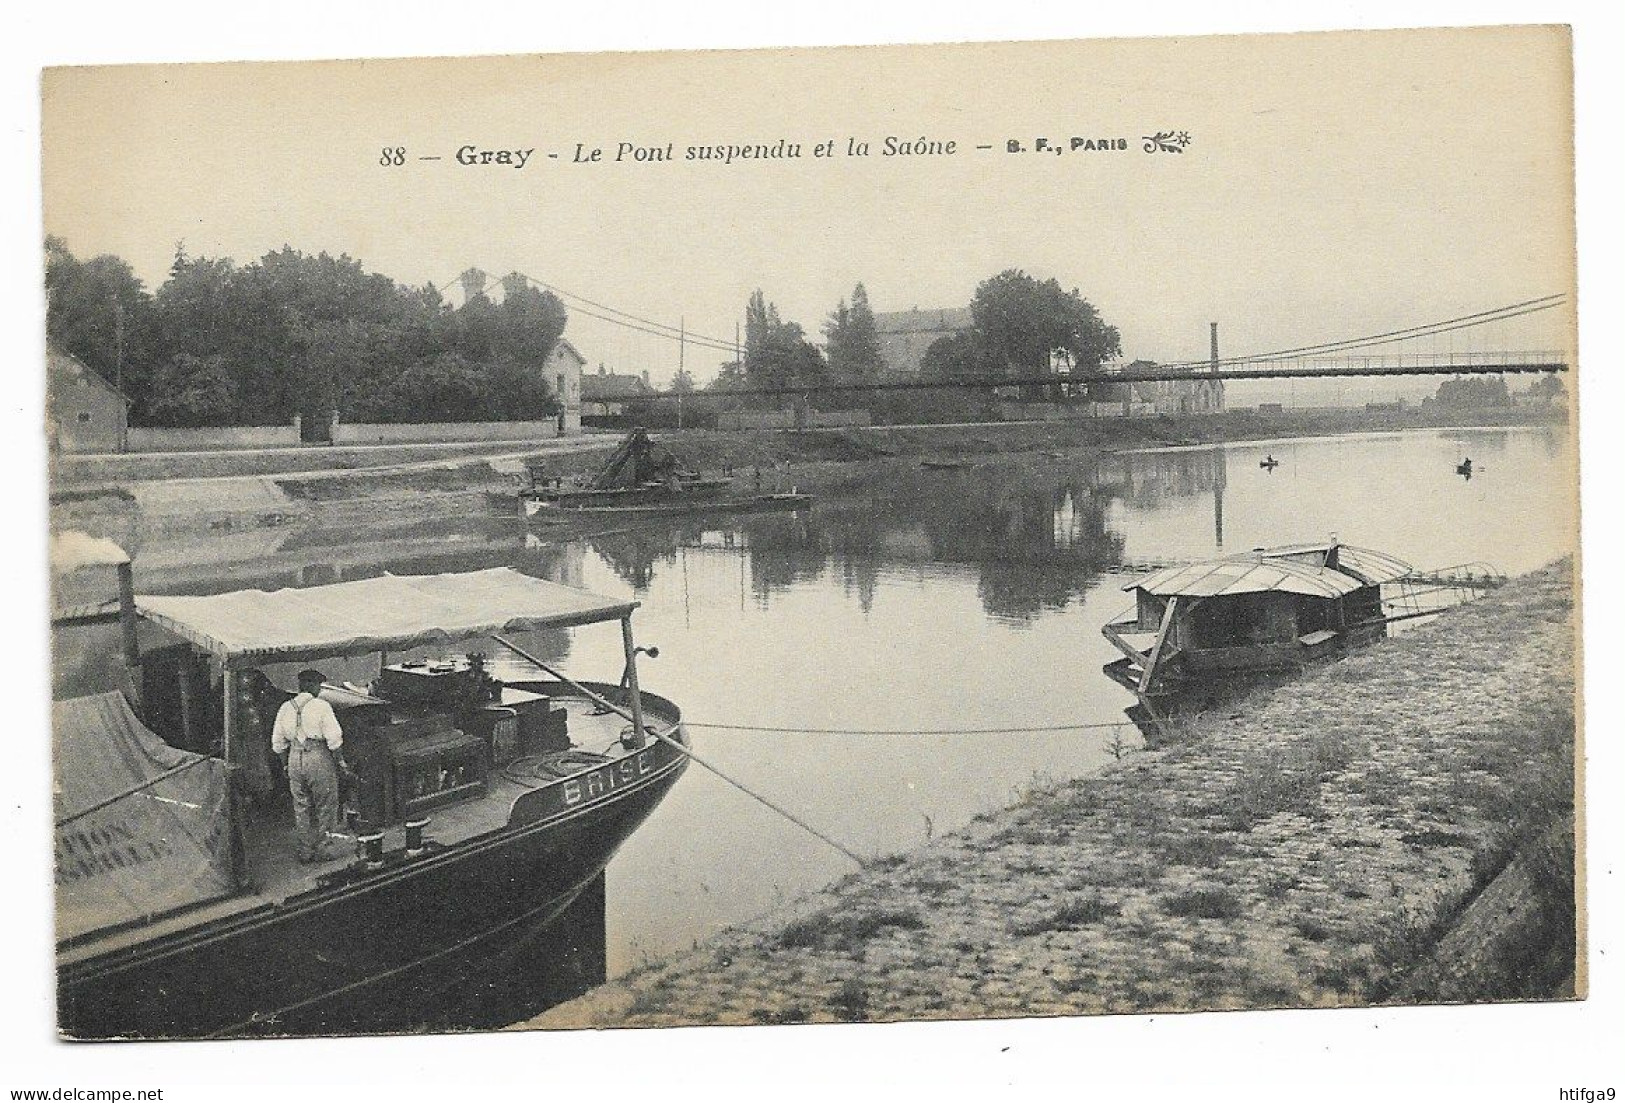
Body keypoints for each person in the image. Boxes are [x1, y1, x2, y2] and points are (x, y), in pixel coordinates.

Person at [271, 669, 347, 864]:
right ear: (313, 686)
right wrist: (340, 761)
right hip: (317, 756)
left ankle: (305, 850)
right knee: (326, 803)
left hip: (294, 757)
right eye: (318, 686)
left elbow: (277, 744)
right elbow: (335, 739)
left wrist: (287, 766)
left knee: (301, 806)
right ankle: (324, 848)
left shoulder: (285, 707)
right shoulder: (321, 706)